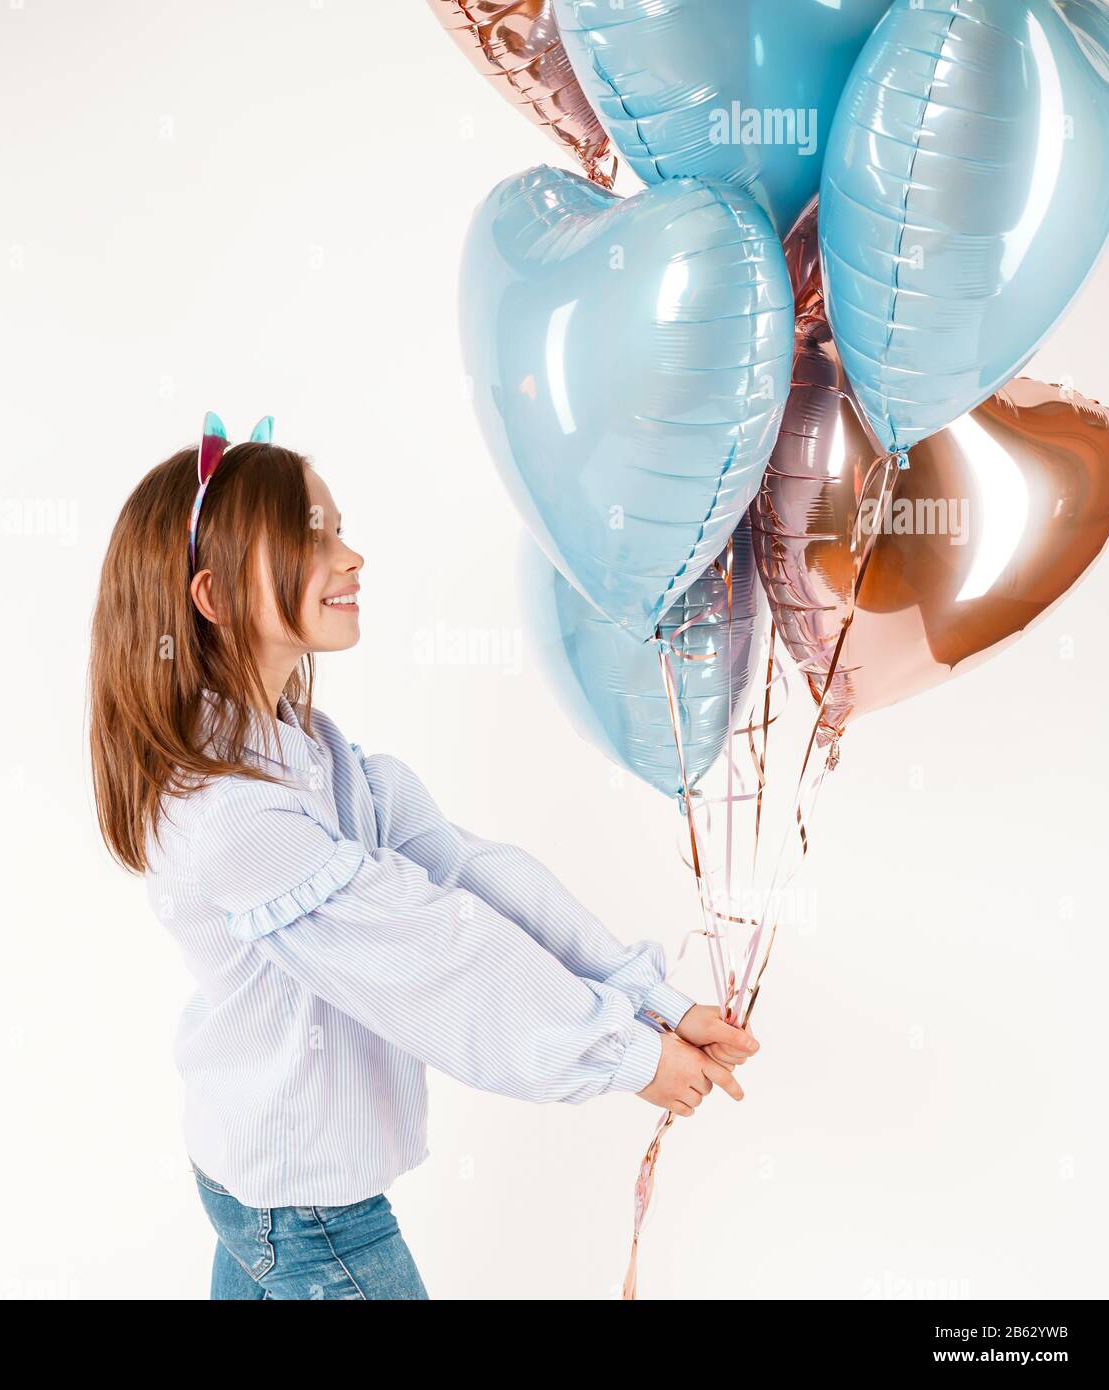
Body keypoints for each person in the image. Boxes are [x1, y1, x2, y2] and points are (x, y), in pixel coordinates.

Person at [87, 411, 759, 1300]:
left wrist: (650, 1005)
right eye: (310, 538)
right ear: (211, 599)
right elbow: (438, 953)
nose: (351, 557)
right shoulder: (233, 815)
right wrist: (624, 1057)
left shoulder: (311, 754)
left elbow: (469, 874)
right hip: (309, 1221)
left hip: (268, 1197)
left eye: (338, 529)